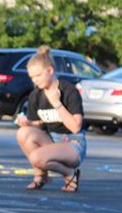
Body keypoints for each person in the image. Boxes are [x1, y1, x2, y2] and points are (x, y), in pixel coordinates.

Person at [15, 45, 85, 193]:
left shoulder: (68, 90)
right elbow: (39, 125)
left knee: (36, 158)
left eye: (38, 76)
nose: (35, 81)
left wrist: (57, 103)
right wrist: (27, 123)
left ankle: (70, 173)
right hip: (52, 140)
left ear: (50, 70)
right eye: (32, 77)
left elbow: (76, 127)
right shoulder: (36, 95)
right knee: (23, 133)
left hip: (73, 143)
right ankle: (41, 176)